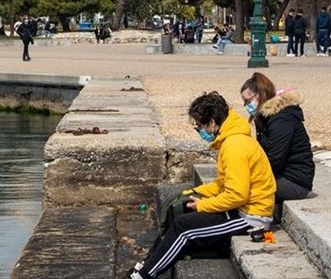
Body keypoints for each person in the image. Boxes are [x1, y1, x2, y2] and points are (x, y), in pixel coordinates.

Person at [128, 92, 274, 279]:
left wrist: (202, 205)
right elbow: (222, 184)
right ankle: (147, 263)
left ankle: (146, 275)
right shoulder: (230, 141)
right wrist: (194, 192)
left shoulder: (235, 146)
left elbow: (237, 195)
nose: (200, 132)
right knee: (177, 213)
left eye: (199, 127)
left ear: (212, 122)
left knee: (183, 228)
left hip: (251, 217)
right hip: (240, 209)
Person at [240, 72, 315, 223]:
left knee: (242, 190)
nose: (246, 106)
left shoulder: (281, 120)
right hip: (281, 176)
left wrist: (251, 175)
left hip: (295, 181)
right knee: (238, 183)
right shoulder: (264, 117)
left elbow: (275, 160)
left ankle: (253, 221)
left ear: (260, 96)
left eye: (248, 101)